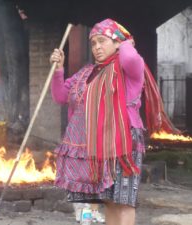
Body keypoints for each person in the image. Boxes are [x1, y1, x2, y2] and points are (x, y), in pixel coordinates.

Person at [49, 18, 179, 225]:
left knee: (124, 202)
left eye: (102, 41)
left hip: (123, 140)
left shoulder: (130, 69)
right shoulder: (86, 73)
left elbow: (128, 57)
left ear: (117, 42)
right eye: (93, 43)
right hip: (92, 144)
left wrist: (124, 41)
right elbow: (60, 97)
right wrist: (59, 69)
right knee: (106, 200)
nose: (97, 47)